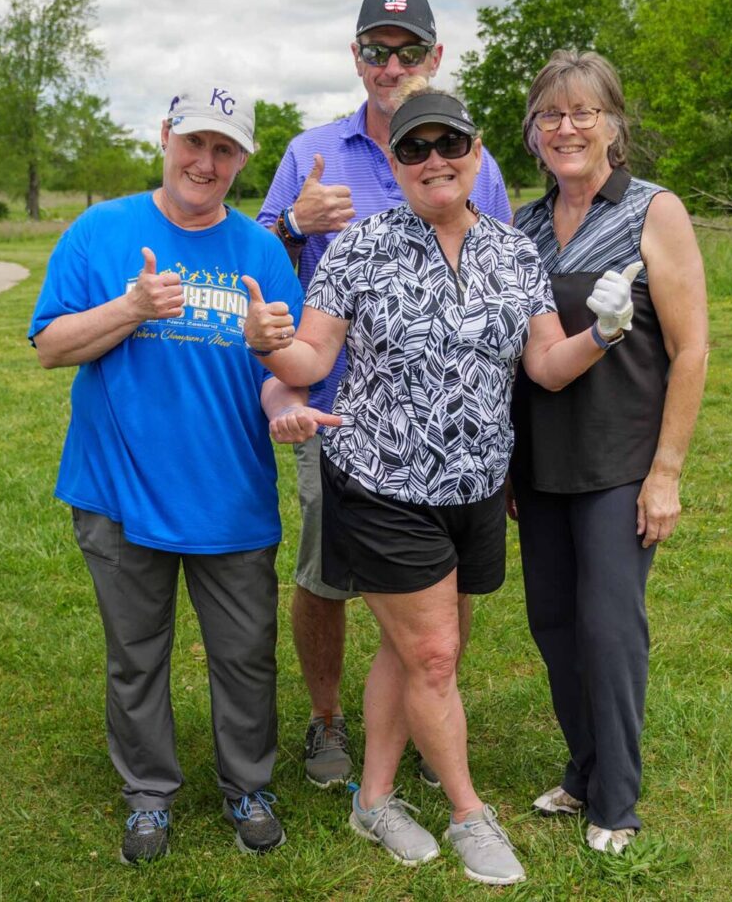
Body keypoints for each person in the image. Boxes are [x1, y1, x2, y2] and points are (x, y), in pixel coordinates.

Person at [241, 81, 640, 886]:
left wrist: (602, 331)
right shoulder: (358, 247)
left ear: (476, 152)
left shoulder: (512, 251)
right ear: (395, 161)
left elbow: (544, 367)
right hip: (381, 481)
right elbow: (311, 362)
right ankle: (468, 813)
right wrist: (265, 345)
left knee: (406, 645)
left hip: (476, 489)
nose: (434, 160)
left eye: (449, 144)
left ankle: (375, 798)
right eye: (414, 148)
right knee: (432, 655)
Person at [28, 84, 337, 864]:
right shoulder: (102, 231)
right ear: (165, 136)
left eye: (225, 149)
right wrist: (131, 306)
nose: (206, 161)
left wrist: (284, 402)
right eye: (194, 142)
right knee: (136, 656)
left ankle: (249, 787)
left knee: (245, 656)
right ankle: (148, 796)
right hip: (118, 491)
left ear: (243, 161)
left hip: (228, 494)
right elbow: (50, 345)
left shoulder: (262, 252)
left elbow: (281, 367)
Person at [257, 0, 512, 790]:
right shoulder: (312, 151)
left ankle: (431, 723)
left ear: (435, 57)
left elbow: (503, 272)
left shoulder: (475, 155)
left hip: (455, 425)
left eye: (409, 50)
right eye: (376, 49)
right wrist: (294, 223)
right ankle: (327, 721)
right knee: (327, 577)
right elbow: (253, 256)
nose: (391, 65)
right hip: (335, 410)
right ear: (356, 56)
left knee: (448, 583)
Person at [509, 50, 708, 855]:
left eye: (585, 112)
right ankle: (585, 768)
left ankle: (616, 803)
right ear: (532, 134)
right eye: (551, 115)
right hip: (542, 463)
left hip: (621, 462)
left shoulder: (654, 210)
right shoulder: (522, 226)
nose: (568, 128)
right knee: (553, 622)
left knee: (609, 628)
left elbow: (691, 350)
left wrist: (666, 473)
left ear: (614, 124)